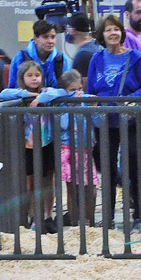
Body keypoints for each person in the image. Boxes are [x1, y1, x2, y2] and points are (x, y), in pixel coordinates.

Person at [87, 13, 141, 228]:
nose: (113, 33)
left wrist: (129, 100)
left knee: (136, 165)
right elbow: (91, 89)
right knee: (105, 168)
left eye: (116, 29)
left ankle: (140, 215)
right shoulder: (96, 59)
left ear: (122, 32)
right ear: (102, 35)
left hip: (132, 119)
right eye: (108, 30)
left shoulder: (136, 58)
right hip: (105, 121)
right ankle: (107, 217)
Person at [0, 59, 62, 232]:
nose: (34, 79)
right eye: (30, 75)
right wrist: (27, 95)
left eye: (37, 75)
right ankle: (33, 217)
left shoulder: (47, 92)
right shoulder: (19, 95)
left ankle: (48, 215)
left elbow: (60, 91)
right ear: (22, 77)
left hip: (47, 142)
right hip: (27, 144)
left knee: (48, 179)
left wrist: (41, 97)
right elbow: (4, 93)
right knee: (30, 182)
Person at [53, 69, 98, 226]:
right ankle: (74, 220)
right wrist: (74, 106)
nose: (78, 93)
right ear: (65, 91)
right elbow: (64, 124)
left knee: (91, 185)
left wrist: (93, 107)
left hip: (86, 149)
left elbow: (98, 122)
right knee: (72, 187)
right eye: (73, 90)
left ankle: (89, 220)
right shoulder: (61, 105)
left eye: (80, 89)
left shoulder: (86, 102)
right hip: (68, 149)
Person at [7, 19, 72, 91]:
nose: (50, 41)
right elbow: (12, 89)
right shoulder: (20, 57)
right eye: (45, 37)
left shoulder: (62, 59)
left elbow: (69, 89)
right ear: (35, 38)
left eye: (53, 37)